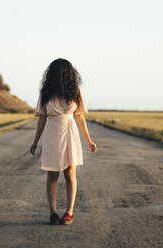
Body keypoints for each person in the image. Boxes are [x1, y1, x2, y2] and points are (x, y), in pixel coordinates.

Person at [30, 58, 97, 225]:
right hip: (52, 133)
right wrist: (35, 141)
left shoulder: (75, 91)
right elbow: (42, 118)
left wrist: (89, 140)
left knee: (70, 173)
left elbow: (79, 117)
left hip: (69, 132)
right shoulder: (45, 92)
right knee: (52, 174)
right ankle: (53, 212)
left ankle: (69, 212)